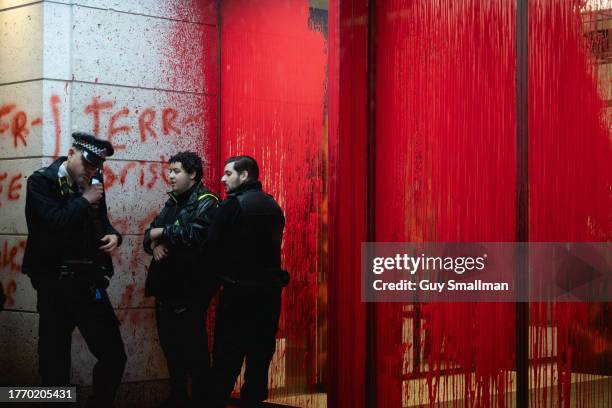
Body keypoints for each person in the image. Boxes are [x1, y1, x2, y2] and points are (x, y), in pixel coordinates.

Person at [22, 132, 126, 408]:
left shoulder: (92, 183)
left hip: (88, 283)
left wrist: (115, 236)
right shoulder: (40, 182)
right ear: (70, 154)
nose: (92, 171)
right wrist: (84, 199)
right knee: (54, 366)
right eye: (87, 164)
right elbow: (53, 222)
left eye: (96, 167)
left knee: (114, 355)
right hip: (55, 286)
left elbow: (101, 222)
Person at [209, 155, 288, 407]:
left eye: (228, 173)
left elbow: (210, 247)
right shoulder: (273, 205)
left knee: (226, 359)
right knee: (260, 357)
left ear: (244, 176)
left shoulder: (231, 206)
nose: (223, 178)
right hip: (269, 296)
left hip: (237, 294)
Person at [143, 151, 219, 408]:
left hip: (190, 291)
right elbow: (146, 235)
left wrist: (162, 233)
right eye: (170, 170)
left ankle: (200, 400)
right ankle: (178, 399)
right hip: (166, 290)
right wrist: (154, 245)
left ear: (193, 174)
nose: (170, 176)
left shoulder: (207, 202)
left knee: (194, 354)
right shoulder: (173, 201)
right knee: (171, 351)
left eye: (176, 171)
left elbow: (194, 235)